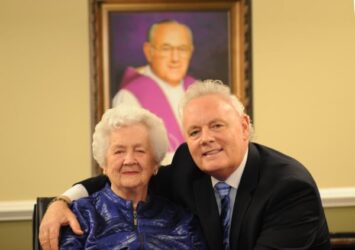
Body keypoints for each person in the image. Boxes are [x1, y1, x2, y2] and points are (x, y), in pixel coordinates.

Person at [40, 80, 331, 250]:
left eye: (217, 125)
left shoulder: (290, 189)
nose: (206, 139)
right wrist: (62, 200)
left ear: (244, 127)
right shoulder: (187, 167)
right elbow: (128, 175)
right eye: (194, 131)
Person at [57, 105, 206, 249]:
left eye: (140, 151)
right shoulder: (81, 216)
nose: (129, 160)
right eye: (119, 151)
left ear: (155, 162)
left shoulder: (183, 221)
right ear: (104, 163)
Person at [112, 19, 196, 163]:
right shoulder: (129, 97)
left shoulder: (199, 90)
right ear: (149, 51)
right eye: (166, 48)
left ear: (191, 51)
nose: (175, 58)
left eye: (182, 49)